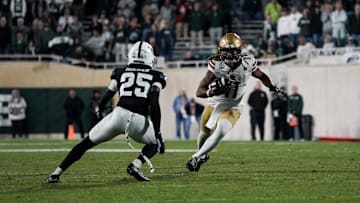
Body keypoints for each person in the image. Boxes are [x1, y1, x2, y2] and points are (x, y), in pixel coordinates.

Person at [44, 41, 166, 183]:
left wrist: (100, 109)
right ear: (150, 57)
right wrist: (158, 134)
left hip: (117, 115)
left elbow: (107, 96)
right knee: (155, 144)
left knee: (85, 144)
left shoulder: (120, 72)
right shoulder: (156, 75)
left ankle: (56, 173)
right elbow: (154, 104)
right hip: (137, 119)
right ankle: (135, 165)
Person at [186, 33, 284, 171]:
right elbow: (199, 91)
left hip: (233, 106)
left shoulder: (248, 63)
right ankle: (201, 155)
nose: (230, 54)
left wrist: (272, 87)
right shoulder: (216, 64)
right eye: (226, 51)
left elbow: (261, 76)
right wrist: (212, 92)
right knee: (204, 133)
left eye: (233, 51)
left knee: (220, 131)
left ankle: (195, 158)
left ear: (239, 51)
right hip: (214, 103)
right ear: (220, 51)